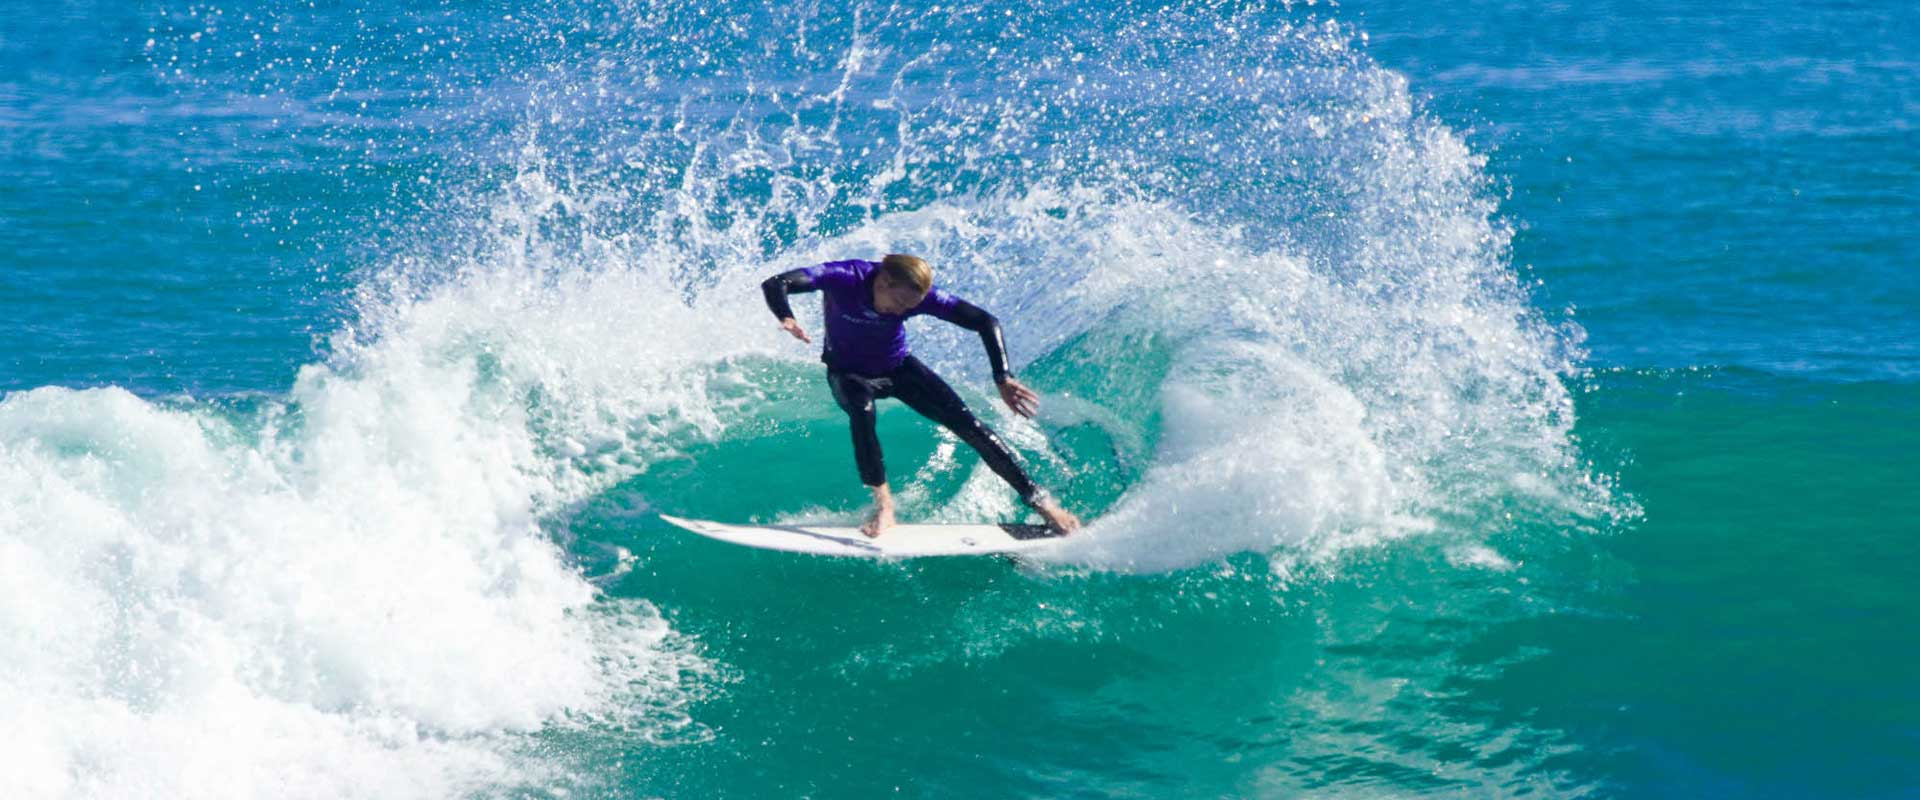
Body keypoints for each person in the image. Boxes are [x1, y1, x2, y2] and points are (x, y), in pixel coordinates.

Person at [761, 254, 1082, 537]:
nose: (902, 312)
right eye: (900, 303)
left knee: (971, 426)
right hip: (848, 373)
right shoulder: (845, 277)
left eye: (910, 308)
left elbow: (985, 321)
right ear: (884, 281)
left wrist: (1003, 376)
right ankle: (884, 506)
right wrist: (786, 317)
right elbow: (776, 283)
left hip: (898, 368)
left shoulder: (919, 298)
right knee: (862, 412)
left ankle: (1043, 505)